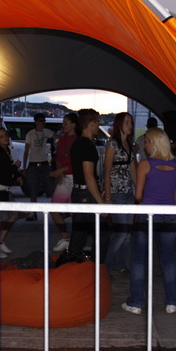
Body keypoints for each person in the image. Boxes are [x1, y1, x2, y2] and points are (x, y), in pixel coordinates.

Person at [122, 127, 176, 315]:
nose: (145, 145)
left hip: (146, 215)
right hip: (169, 216)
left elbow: (138, 196)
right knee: (169, 260)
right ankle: (172, 302)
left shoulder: (145, 165)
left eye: (147, 142)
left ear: (154, 144)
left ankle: (136, 303)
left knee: (138, 260)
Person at [68, 108, 110, 259]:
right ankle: (96, 266)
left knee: (79, 233)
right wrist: (101, 203)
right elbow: (89, 176)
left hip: (78, 192)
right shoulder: (87, 145)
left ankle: (73, 265)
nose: (99, 126)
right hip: (86, 194)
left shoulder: (76, 143)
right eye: (98, 122)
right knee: (102, 233)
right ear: (91, 124)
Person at [104, 112, 137, 273]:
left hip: (128, 191)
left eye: (131, 122)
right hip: (116, 192)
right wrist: (108, 196)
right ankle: (108, 266)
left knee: (126, 233)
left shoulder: (129, 144)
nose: (130, 125)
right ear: (119, 125)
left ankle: (120, 264)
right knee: (121, 233)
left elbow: (133, 169)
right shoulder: (112, 144)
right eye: (127, 122)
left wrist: (139, 191)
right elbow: (107, 171)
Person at [0, 126, 23, 258]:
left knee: (13, 215)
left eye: (6, 135)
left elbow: (9, 168)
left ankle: (0, 242)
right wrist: (15, 167)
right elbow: (3, 169)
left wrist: (17, 174)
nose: (5, 138)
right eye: (1, 136)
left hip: (5, 189)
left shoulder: (6, 150)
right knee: (0, 221)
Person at [48, 112, 78, 252]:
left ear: (74, 125)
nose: (63, 125)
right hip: (64, 178)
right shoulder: (63, 139)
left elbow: (75, 163)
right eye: (63, 123)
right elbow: (59, 157)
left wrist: (60, 170)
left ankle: (74, 241)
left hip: (73, 178)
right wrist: (60, 171)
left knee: (74, 213)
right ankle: (66, 238)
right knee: (55, 209)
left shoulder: (77, 140)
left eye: (66, 123)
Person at [22, 112, 54, 221]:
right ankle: (33, 212)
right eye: (41, 121)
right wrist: (24, 168)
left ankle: (55, 211)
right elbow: (26, 151)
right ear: (35, 122)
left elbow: (58, 136)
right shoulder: (30, 134)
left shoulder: (47, 132)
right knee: (33, 189)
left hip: (44, 164)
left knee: (50, 187)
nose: (43, 123)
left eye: (44, 121)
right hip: (33, 164)